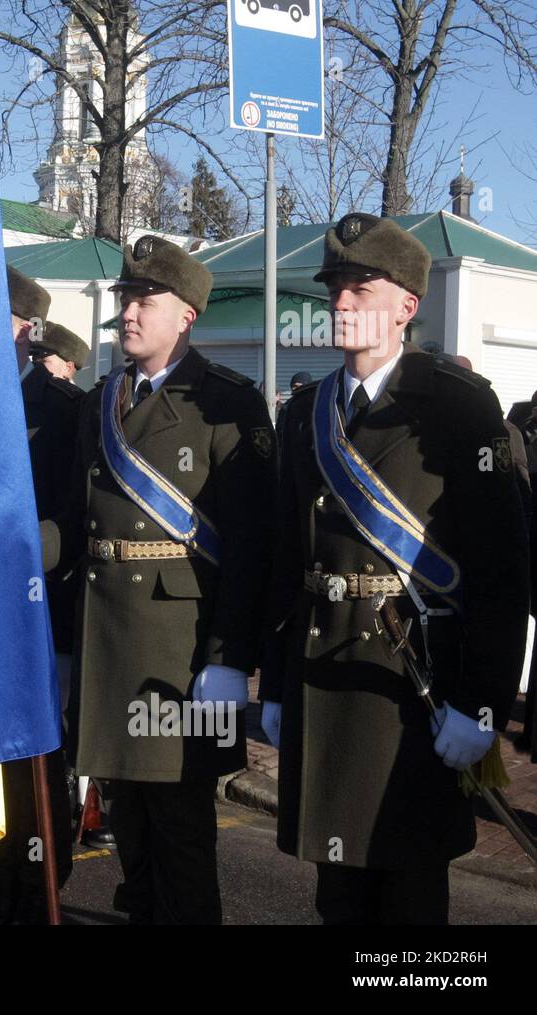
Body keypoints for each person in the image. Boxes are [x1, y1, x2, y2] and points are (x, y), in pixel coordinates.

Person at [260, 213, 530, 924]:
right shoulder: (307, 412)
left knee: (409, 898)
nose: (342, 301)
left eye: (360, 286)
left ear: (408, 305)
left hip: (415, 689)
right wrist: (278, 680)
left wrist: (483, 706)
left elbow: (502, 574)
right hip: (326, 676)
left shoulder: (458, 406)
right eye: (335, 288)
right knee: (337, 893)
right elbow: (289, 558)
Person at [43, 236, 277, 924]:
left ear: (187, 316)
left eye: (147, 299)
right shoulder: (100, 404)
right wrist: (23, 550)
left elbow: (253, 547)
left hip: (180, 658)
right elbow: (73, 518)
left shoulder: (226, 404)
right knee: (129, 825)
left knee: (181, 832)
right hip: (108, 645)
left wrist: (231, 660)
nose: (129, 312)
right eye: (125, 298)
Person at [0, 267, 78, 924]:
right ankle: (2, 883)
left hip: (44, 610)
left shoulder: (66, 410)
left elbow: (73, 518)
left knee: (42, 755)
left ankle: (43, 887)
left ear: (25, 329)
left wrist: (16, 551)